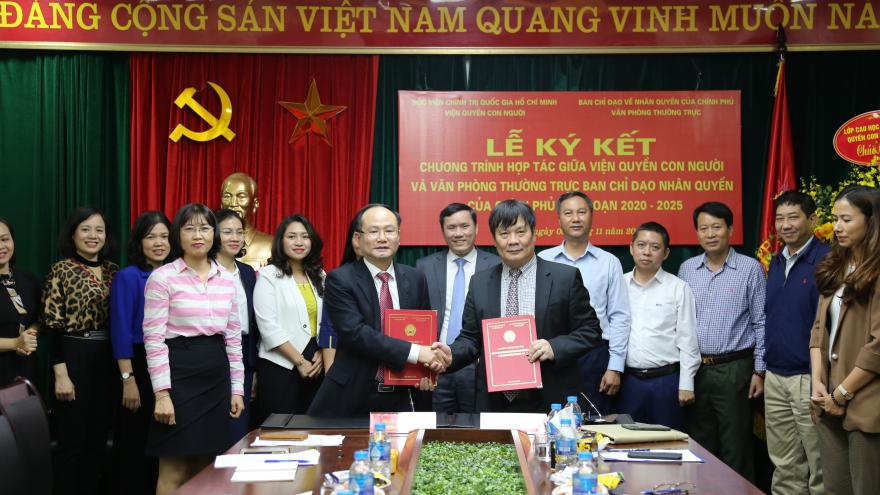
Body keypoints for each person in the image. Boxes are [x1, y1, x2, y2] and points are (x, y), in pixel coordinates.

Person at [434, 200, 602, 413]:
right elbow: (471, 339)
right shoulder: (480, 283)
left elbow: (591, 330)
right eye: (504, 234)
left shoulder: (564, 278)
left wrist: (555, 347)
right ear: (494, 239)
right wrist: (452, 353)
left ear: (534, 234)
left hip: (550, 397)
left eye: (520, 232)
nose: (513, 241)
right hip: (495, 401)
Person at [143, 203, 244, 495]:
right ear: (178, 235)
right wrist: (162, 394)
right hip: (179, 377)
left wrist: (237, 389)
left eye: (205, 228)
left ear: (214, 233)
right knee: (174, 468)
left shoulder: (227, 279)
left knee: (208, 467)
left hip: (216, 377)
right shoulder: (163, 277)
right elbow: (153, 339)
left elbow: (233, 339)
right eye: (189, 228)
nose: (198, 235)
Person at [307, 204, 440, 415]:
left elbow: (425, 331)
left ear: (399, 236)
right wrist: (416, 353)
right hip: (354, 393)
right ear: (358, 238)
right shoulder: (340, 279)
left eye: (389, 231)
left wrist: (427, 370)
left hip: (404, 393)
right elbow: (355, 334)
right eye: (374, 231)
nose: (382, 238)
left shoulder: (415, 278)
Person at [678, 201, 766, 482]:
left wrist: (759, 370)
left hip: (734, 370)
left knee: (736, 446)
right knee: (700, 445)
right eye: (703, 228)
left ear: (730, 229)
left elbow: (761, 321)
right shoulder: (687, 269)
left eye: (717, 227)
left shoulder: (750, 269)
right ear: (697, 233)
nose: (710, 234)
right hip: (695, 370)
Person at [41, 205, 119, 494]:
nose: (92, 235)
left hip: (108, 358)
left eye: (99, 230)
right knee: (72, 441)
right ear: (72, 235)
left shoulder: (114, 271)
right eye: (85, 229)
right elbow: (52, 325)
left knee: (98, 440)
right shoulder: (60, 270)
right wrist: (61, 374)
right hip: (74, 357)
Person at [811, 185, 880, 495]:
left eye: (847, 219)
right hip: (827, 398)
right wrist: (818, 383)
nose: (837, 227)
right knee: (835, 488)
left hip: (865, 401)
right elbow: (818, 329)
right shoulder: (835, 266)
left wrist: (842, 393)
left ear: (871, 220)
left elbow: (878, 346)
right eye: (835, 218)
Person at [538, 191, 631, 414]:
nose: (575, 218)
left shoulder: (609, 262)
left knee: (595, 424)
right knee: (554, 420)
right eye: (568, 213)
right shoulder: (542, 260)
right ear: (559, 219)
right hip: (553, 355)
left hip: (594, 356)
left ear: (591, 216)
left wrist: (615, 366)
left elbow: (619, 316)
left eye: (581, 212)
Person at [764, 191, 828, 495]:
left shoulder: (828, 260)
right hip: (775, 376)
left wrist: (820, 379)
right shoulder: (776, 261)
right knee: (784, 464)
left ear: (812, 220)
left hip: (809, 378)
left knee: (820, 463)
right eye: (780, 218)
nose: (785, 225)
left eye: (793, 217)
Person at [615, 222, 700, 431]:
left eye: (655, 247)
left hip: (666, 382)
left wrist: (686, 383)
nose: (646, 252)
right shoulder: (618, 285)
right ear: (631, 248)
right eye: (641, 245)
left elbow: (688, 339)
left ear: (666, 253)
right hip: (627, 382)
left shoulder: (678, 288)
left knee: (667, 442)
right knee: (626, 442)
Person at [416, 203, 501, 414]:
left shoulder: (497, 265)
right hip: (437, 365)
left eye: (464, 226)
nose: (458, 233)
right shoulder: (424, 266)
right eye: (451, 227)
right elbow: (418, 317)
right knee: (436, 427)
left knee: (478, 427)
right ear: (443, 231)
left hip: (480, 366)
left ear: (476, 228)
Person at [109, 211, 171, 495]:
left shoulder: (177, 275)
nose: (159, 243)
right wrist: (128, 379)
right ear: (139, 242)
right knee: (137, 442)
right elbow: (121, 330)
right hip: (138, 364)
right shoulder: (129, 277)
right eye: (151, 236)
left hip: (168, 362)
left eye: (164, 236)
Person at [254, 213, 325, 419]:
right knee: (280, 430)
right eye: (292, 236)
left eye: (305, 236)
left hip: (316, 362)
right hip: (281, 363)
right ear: (281, 241)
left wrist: (324, 352)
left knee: (314, 428)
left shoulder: (320, 276)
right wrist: (299, 361)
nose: (299, 242)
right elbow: (268, 326)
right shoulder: (269, 275)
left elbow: (330, 322)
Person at [214, 209, 259, 444]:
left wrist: (254, 368)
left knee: (237, 428)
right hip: (213, 351)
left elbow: (254, 321)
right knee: (214, 429)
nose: (235, 238)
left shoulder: (247, 272)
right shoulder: (204, 270)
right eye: (227, 232)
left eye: (239, 232)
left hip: (244, 353)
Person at [318, 216, 361, 374]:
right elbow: (330, 328)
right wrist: (330, 374)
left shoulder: (399, 277)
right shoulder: (339, 278)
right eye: (357, 236)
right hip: (348, 364)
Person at [0, 217, 40, 387]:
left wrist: (30, 335)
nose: (1, 246)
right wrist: (16, 343)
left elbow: (41, 320)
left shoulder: (27, 278)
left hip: (26, 369)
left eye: (5, 239)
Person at [220, 172, 274, 269]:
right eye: (227, 196)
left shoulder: (272, 246)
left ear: (255, 204)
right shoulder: (210, 244)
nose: (233, 203)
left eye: (241, 197)